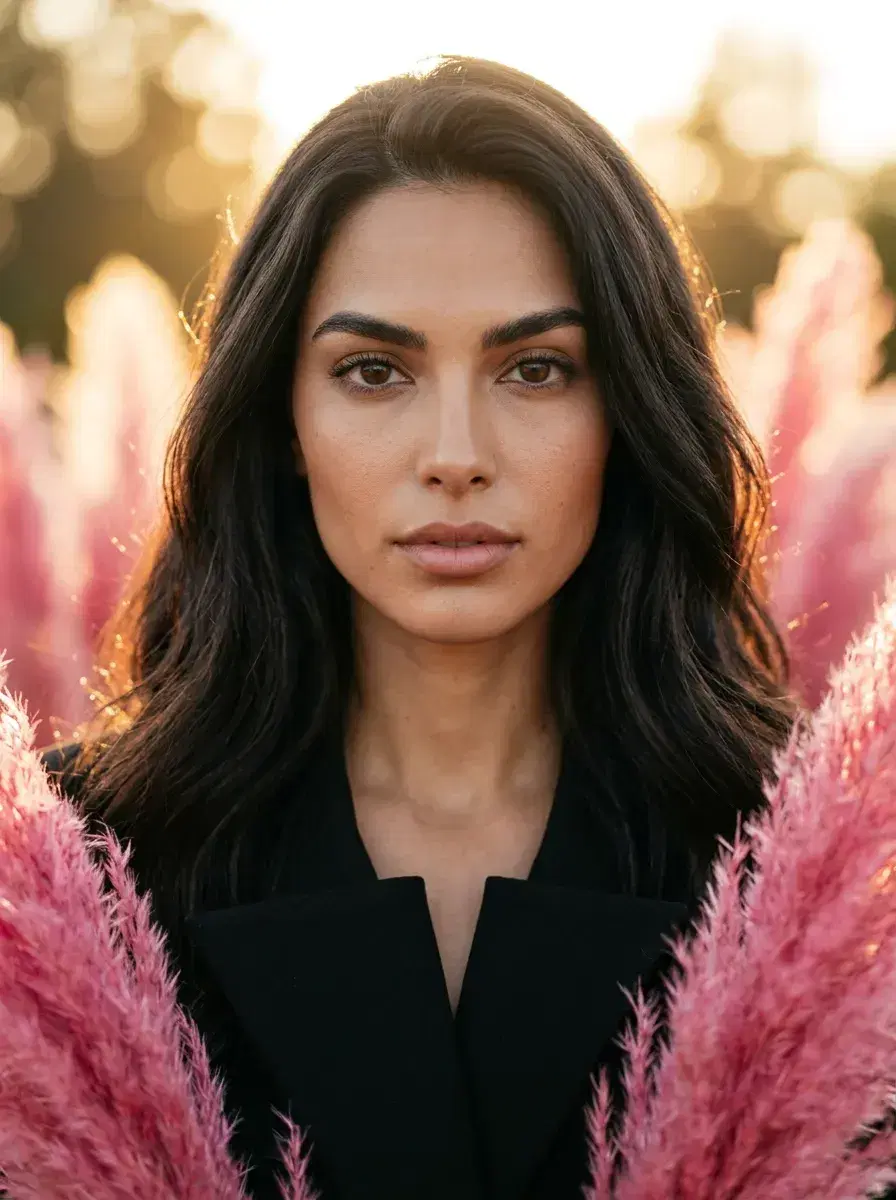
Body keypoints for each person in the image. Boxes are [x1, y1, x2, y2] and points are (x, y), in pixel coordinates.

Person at [43, 55, 799, 1200]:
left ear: (629, 409)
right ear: (281, 418)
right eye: (373, 371)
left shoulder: (799, 873)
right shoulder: (78, 866)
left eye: (536, 368)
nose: (454, 455)